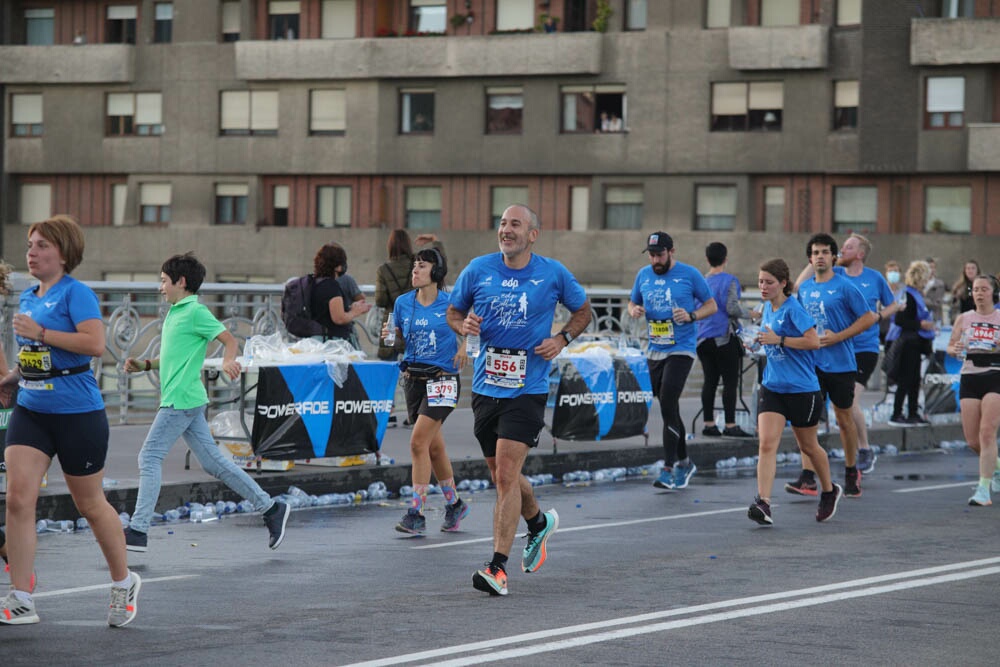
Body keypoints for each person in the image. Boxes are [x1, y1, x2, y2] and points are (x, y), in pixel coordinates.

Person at [0, 215, 140, 627]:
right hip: (31, 409)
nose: (32, 252)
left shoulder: (76, 294)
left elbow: (95, 345)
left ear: (63, 252)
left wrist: (41, 332)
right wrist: (11, 379)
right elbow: (34, 359)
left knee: (90, 504)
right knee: (18, 498)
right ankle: (21, 596)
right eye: (30, 244)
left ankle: (123, 583)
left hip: (78, 413)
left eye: (42, 245)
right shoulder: (28, 296)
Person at [447, 204, 590, 596]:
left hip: (527, 389)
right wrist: (464, 325)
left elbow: (583, 310)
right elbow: (453, 311)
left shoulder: (552, 272)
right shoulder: (478, 268)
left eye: (515, 224)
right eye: (502, 224)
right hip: (485, 387)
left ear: (532, 234)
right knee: (502, 475)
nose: (506, 230)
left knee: (507, 476)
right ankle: (539, 523)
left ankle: (497, 568)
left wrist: (562, 339)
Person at [121, 252, 290, 554]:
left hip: (180, 401)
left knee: (149, 457)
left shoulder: (195, 312)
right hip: (186, 399)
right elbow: (174, 359)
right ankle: (271, 508)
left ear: (181, 282)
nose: (160, 288)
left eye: (163, 281)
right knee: (214, 463)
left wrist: (228, 363)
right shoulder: (175, 312)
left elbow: (229, 340)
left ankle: (138, 530)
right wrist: (145, 365)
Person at [747, 258, 843, 526]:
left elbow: (813, 342)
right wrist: (758, 343)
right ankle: (763, 502)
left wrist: (780, 340)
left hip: (802, 389)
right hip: (773, 386)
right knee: (766, 444)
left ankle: (828, 490)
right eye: (760, 281)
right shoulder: (768, 308)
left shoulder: (793, 308)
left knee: (808, 446)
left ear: (783, 284)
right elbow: (772, 340)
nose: (763, 287)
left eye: (769, 282)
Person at [385, 248, 470, 534]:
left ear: (436, 272)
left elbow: (476, 327)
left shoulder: (451, 304)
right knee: (434, 447)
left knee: (417, 443)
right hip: (413, 380)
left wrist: (465, 345)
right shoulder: (402, 303)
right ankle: (455, 504)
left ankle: (416, 512)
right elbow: (396, 339)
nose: (415, 272)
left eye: (421, 267)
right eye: (414, 267)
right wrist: (389, 337)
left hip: (443, 380)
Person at [785, 234, 876, 498]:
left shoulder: (846, 286)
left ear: (833, 257)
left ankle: (850, 470)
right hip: (811, 364)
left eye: (825, 252)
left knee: (843, 419)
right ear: (810, 259)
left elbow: (868, 318)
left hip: (841, 364)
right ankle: (808, 476)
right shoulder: (805, 289)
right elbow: (798, 320)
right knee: (807, 421)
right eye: (816, 252)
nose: (820, 256)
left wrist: (839, 336)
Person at [628, 232, 717, 490]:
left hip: (682, 348)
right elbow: (632, 303)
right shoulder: (643, 274)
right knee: (669, 408)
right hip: (655, 348)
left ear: (671, 251)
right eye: (652, 255)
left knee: (668, 400)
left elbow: (711, 306)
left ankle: (667, 467)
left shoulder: (689, 275)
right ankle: (685, 461)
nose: (656, 260)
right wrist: (634, 310)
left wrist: (691, 315)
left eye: (660, 254)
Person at [947, 275, 1000, 506]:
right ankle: (996, 466)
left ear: (993, 293)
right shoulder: (964, 318)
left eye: (984, 289)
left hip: (995, 375)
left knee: (987, 432)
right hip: (969, 376)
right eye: (975, 289)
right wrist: (955, 348)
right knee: (972, 440)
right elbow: (951, 346)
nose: (979, 293)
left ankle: (983, 490)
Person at [695, 242, 751, 438]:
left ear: (708, 259)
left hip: (702, 338)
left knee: (709, 381)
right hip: (724, 338)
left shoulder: (700, 281)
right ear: (725, 259)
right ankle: (730, 424)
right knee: (730, 382)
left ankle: (709, 424)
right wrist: (751, 314)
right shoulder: (730, 280)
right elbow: (732, 308)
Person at [886, 260, 936, 426]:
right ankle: (897, 412)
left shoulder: (915, 293)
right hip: (909, 343)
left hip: (916, 343)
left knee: (914, 380)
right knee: (906, 379)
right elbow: (900, 319)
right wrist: (921, 324)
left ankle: (913, 412)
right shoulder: (908, 294)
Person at [311, 242, 371, 343]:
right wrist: (354, 312)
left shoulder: (311, 282)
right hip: (333, 341)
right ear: (338, 267)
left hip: (313, 339)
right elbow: (339, 318)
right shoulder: (333, 286)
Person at [376, 230, 415, 361]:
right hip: (413, 319)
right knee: (415, 362)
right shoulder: (415, 265)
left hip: (392, 321)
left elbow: (380, 301)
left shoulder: (384, 269)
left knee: (388, 373)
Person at [923, 257, 946, 325]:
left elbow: (937, 302)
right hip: (922, 320)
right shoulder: (918, 284)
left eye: (933, 267)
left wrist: (923, 299)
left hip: (935, 319)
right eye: (929, 267)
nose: (931, 270)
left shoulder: (939, 284)